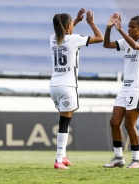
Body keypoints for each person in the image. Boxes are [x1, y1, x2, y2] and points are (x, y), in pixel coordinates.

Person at [50, 8, 103, 169]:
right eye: (71, 24)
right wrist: (91, 23)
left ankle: (63, 156)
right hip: (68, 86)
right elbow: (100, 38)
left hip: (54, 86)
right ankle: (59, 159)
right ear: (68, 27)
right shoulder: (75, 39)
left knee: (64, 119)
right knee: (64, 122)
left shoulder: (52, 38)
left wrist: (76, 21)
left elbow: (66, 32)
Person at [103, 12, 139, 169]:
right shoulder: (126, 42)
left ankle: (137, 159)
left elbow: (136, 46)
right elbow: (106, 45)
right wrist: (109, 28)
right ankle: (118, 158)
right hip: (125, 88)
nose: (129, 29)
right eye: (128, 27)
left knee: (130, 124)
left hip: (137, 88)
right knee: (114, 122)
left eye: (132, 27)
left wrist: (120, 30)